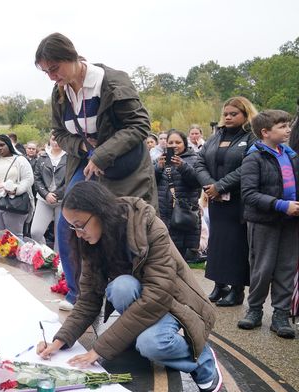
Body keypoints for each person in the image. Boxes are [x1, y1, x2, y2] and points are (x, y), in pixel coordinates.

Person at [37, 181, 221, 392]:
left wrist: (99, 349)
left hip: (173, 300)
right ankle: (142, 335)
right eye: (72, 227)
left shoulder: (148, 225)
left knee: (151, 343)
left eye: (80, 225)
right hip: (144, 300)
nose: (78, 234)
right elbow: (88, 299)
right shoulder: (91, 241)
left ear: (100, 212)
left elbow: (158, 294)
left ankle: (204, 359)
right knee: (121, 287)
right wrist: (60, 341)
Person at [36, 32, 156, 311]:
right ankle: (80, 295)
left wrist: (102, 153)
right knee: (68, 221)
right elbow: (58, 132)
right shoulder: (59, 93)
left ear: (72, 57)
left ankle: (134, 297)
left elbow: (139, 125)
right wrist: (82, 147)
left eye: (54, 68)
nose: (52, 77)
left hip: (126, 167)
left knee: (122, 226)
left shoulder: (111, 81)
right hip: (86, 163)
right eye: (46, 72)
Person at [238, 110, 297, 338]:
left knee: (286, 268)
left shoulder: (290, 155)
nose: (288, 130)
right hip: (265, 222)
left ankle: (280, 314)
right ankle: (254, 310)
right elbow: (249, 194)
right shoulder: (254, 158)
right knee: (262, 268)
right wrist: (281, 205)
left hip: (290, 223)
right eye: (282, 126)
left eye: (288, 125)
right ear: (265, 132)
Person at [194, 96, 258, 305]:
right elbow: (199, 162)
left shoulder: (251, 137)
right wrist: (210, 186)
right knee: (217, 243)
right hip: (216, 200)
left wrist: (220, 186)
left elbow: (248, 166)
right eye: (226, 114)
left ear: (245, 114)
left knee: (236, 245)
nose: (228, 117)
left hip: (238, 200)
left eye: (234, 114)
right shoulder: (216, 136)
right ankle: (219, 284)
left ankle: (237, 289)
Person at [154, 130, 202, 260]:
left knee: (180, 255)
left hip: (183, 213)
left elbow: (196, 182)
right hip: (164, 213)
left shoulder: (194, 159)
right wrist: (158, 168)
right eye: (170, 142)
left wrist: (182, 166)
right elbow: (151, 182)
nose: (174, 145)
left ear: (184, 144)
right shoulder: (160, 159)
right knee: (164, 254)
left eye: (178, 142)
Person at [31, 135, 67, 250]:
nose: (56, 142)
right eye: (53, 139)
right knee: (35, 232)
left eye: (59, 139)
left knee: (60, 235)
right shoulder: (42, 157)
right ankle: (45, 253)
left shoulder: (70, 157)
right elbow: (37, 178)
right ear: (50, 140)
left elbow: (70, 179)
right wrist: (46, 194)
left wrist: (57, 195)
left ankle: (59, 261)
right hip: (44, 199)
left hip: (62, 201)